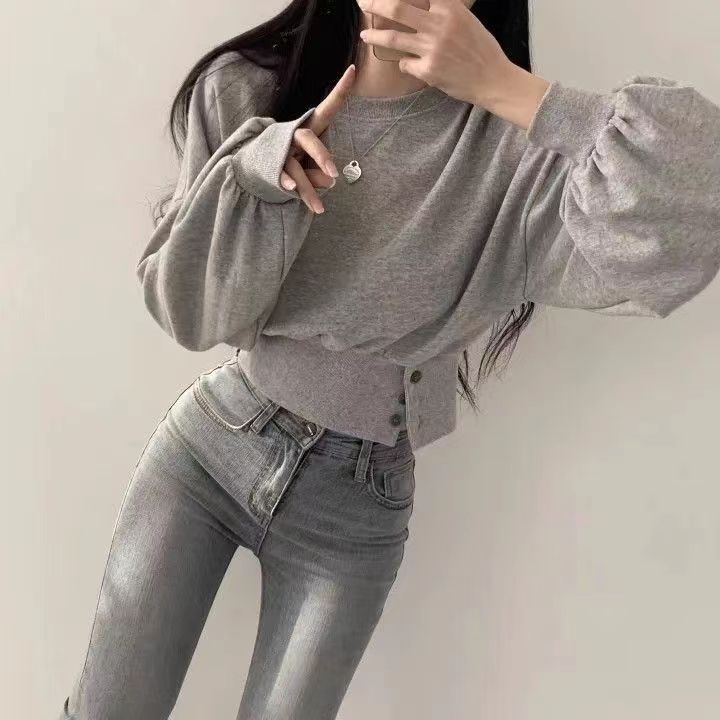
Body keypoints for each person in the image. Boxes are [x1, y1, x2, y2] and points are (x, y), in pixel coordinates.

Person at [59, 0, 720, 718]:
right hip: (212, 448)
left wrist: (513, 90)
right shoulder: (248, 90)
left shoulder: (516, 159)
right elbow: (187, 313)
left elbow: (703, 195)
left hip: (355, 509)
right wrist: (259, 174)